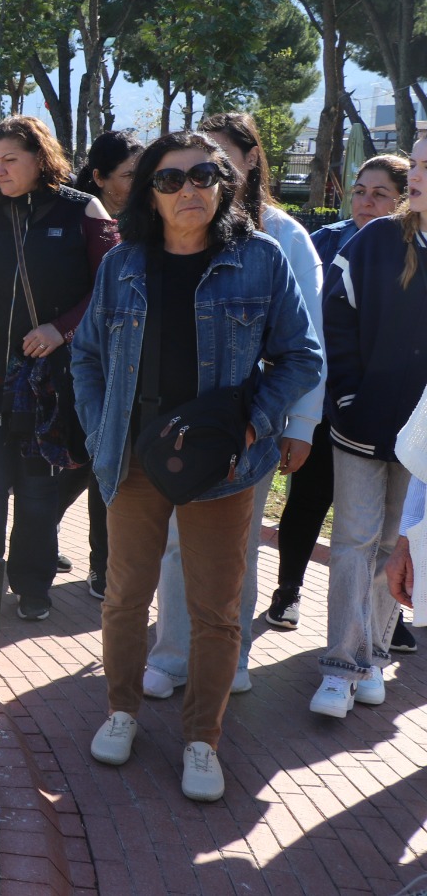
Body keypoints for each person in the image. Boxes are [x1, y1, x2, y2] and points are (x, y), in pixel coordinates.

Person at [72, 131, 321, 801]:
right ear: (148, 193)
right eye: (170, 178)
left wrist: (251, 423)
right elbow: (86, 356)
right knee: (126, 597)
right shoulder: (122, 265)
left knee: (215, 611)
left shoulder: (262, 260)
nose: (189, 189)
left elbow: (304, 357)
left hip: (224, 465)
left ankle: (201, 740)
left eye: (203, 176)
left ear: (225, 185)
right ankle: (121, 710)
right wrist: (103, 428)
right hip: (135, 458)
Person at [144, 111, 327, 698]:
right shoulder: (169, 237)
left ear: (247, 162)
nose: (197, 181)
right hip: (179, 425)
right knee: (176, 543)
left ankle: (233, 652)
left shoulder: (281, 238)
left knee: (237, 550)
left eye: (213, 163)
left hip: (247, 428)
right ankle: (172, 655)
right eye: (185, 170)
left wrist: (293, 423)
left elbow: (306, 345)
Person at [0, 116, 116, 622]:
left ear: (41, 157)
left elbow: (110, 288)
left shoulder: (84, 210)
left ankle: (33, 584)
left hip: (49, 380)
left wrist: (60, 329)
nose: (0, 170)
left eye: (11, 159)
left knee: (38, 487)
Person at [309, 135, 427, 718]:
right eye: (420, 162)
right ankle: (339, 668)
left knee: (395, 545)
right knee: (354, 544)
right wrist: (348, 397)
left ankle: (375, 658)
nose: (420, 175)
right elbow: (335, 321)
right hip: (361, 427)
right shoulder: (376, 240)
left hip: (421, 442)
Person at [267, 154, 407, 632]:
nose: (366, 201)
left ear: (404, 198)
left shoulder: (411, 249)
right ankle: (287, 590)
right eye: (360, 191)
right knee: (308, 500)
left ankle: (385, 619)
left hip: (386, 412)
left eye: (380, 193)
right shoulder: (323, 241)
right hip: (323, 400)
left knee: (390, 522)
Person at [59, 130, 145, 595]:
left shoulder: (147, 219)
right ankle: (98, 564)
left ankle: (68, 546)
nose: (143, 182)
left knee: (91, 464)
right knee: (88, 461)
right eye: (130, 174)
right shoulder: (85, 222)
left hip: (127, 368)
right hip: (82, 363)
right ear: (99, 177)